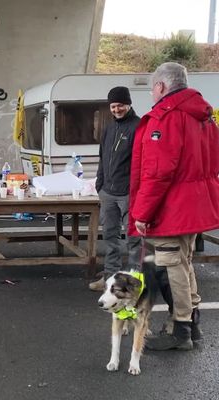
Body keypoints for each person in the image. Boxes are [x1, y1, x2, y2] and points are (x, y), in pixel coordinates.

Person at [128, 62, 219, 350]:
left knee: (171, 266)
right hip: (195, 206)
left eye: (152, 88)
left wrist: (142, 213)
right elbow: (214, 164)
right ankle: (192, 323)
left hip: (171, 208)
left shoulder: (166, 118)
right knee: (184, 263)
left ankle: (180, 328)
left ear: (161, 86)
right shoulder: (205, 117)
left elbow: (157, 173)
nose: (151, 94)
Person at [89, 86, 142, 291]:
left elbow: (144, 162)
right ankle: (110, 279)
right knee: (110, 237)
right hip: (108, 193)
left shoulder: (138, 127)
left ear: (128, 104)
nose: (117, 109)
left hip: (129, 193)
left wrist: (136, 189)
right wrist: (99, 184)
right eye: (113, 106)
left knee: (134, 240)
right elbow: (103, 157)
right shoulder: (109, 128)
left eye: (120, 105)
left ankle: (133, 282)